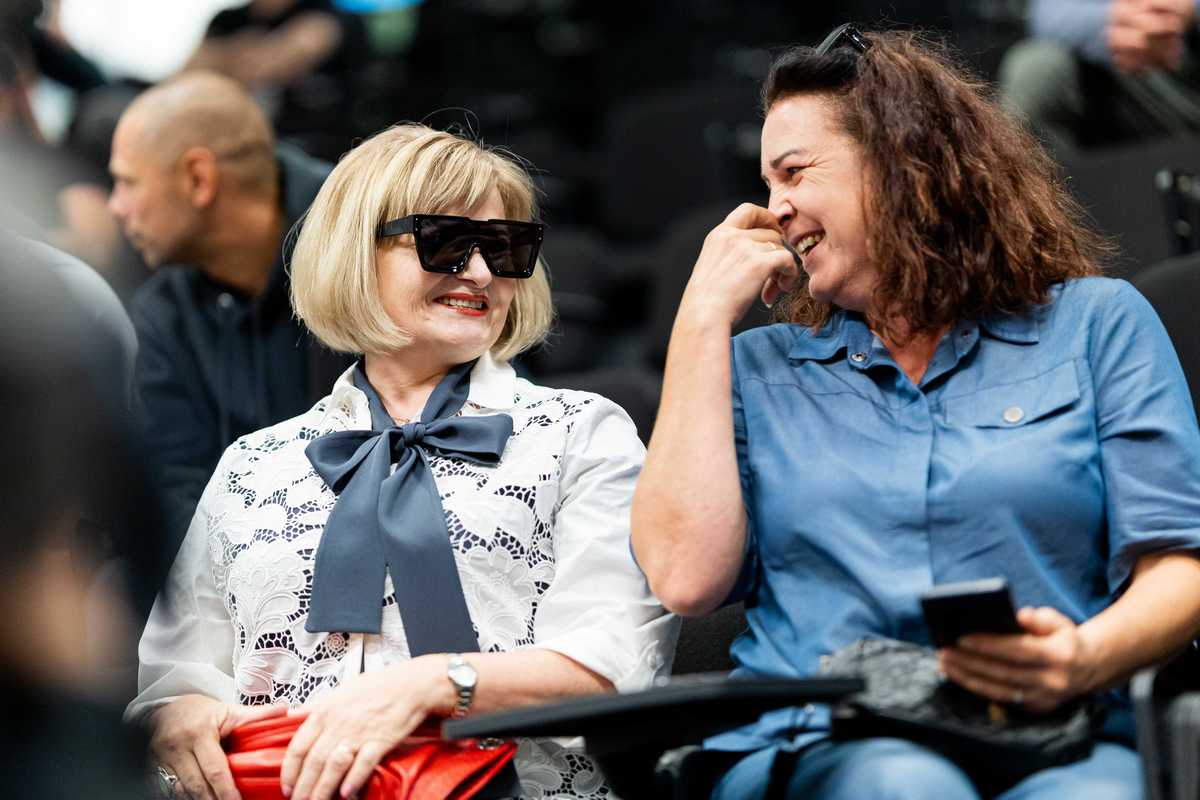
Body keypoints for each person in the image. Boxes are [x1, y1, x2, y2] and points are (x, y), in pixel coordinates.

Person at [632, 24, 1200, 800]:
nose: (775, 210)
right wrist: (700, 318)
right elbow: (685, 581)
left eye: (793, 173)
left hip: (1057, 731)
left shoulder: (1097, 323)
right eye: (767, 184)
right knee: (904, 783)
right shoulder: (756, 370)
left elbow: (1180, 567)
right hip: (822, 740)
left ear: (902, 162)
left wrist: (1085, 657)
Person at [127, 122, 678, 800]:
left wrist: (433, 685)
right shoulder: (253, 463)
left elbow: (615, 663)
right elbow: (172, 675)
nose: (480, 272)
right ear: (357, 250)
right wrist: (175, 713)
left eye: (504, 247)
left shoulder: (582, 433)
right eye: (446, 242)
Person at [108, 71, 350, 550]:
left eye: (127, 182)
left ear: (198, 179)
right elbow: (175, 487)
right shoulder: (162, 310)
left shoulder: (364, 244)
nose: (116, 206)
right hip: (242, 577)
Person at [1000, 0, 1200, 154]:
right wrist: (1118, 23)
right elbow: (1047, 16)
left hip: (1188, 87)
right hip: (1110, 67)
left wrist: (1187, 10)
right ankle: (1041, 193)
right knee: (1035, 68)